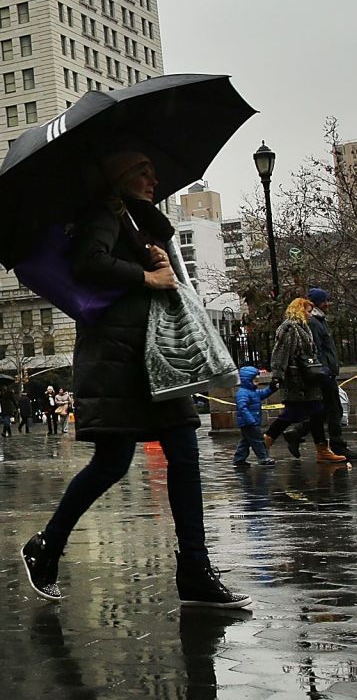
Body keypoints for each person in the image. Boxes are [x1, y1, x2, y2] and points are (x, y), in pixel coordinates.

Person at [20, 151, 251, 609]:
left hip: (154, 359)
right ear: (117, 173)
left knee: (184, 453)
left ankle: (195, 570)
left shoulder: (135, 218)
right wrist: (147, 276)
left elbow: (145, 274)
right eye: (142, 170)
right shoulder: (101, 213)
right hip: (119, 358)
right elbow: (89, 263)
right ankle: (46, 546)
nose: (154, 177)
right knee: (113, 462)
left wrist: (155, 261)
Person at [303, 289, 357, 461]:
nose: (328, 304)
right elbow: (317, 349)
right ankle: (337, 445)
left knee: (322, 410)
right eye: (325, 301)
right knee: (333, 409)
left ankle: (298, 432)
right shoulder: (314, 322)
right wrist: (325, 369)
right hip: (323, 373)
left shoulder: (318, 320)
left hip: (325, 372)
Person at [265, 297, 325, 458]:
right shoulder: (289, 328)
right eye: (308, 311)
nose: (310, 315)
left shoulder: (304, 327)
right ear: (299, 310)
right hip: (296, 379)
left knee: (316, 411)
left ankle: (322, 449)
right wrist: (277, 375)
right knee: (293, 414)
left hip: (307, 378)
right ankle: (266, 440)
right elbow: (280, 353)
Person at [232, 366, 275, 467]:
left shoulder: (251, 391)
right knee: (258, 440)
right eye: (255, 380)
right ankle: (263, 458)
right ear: (247, 381)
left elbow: (262, 393)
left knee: (246, 441)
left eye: (258, 380)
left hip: (250, 421)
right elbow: (242, 407)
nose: (258, 383)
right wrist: (250, 420)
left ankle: (239, 459)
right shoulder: (243, 393)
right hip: (249, 422)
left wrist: (271, 389)